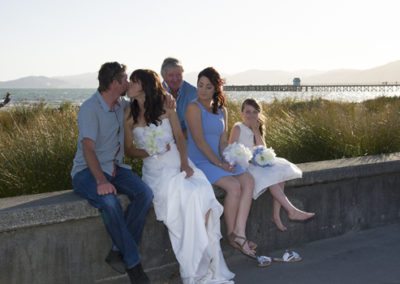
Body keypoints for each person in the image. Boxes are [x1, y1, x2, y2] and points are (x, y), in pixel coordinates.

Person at [124, 69, 234, 284]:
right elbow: (129, 150)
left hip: (178, 161)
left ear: (144, 85)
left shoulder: (167, 106)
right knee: (187, 198)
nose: (129, 84)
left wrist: (185, 163)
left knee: (201, 192)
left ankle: (206, 259)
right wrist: (151, 151)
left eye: (134, 81)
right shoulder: (128, 113)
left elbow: (180, 139)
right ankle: (195, 268)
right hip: (155, 170)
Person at [71, 62, 153, 284]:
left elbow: (145, 101)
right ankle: (134, 266)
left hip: (116, 168)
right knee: (109, 203)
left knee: (145, 194)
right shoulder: (90, 108)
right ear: (115, 83)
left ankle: (119, 250)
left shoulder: (121, 105)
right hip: (88, 171)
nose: (127, 83)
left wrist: (167, 99)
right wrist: (100, 180)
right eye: (125, 79)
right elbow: (88, 148)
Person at [185, 67, 257, 258]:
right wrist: (219, 163)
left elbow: (223, 141)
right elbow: (199, 141)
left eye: (208, 87)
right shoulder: (193, 108)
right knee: (234, 187)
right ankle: (231, 235)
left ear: (215, 89)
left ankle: (239, 233)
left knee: (248, 180)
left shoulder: (221, 110)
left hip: (218, 159)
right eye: (200, 85)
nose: (203, 90)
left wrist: (229, 158)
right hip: (201, 160)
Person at [229, 98, 315, 231]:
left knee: (279, 173)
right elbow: (231, 149)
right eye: (247, 112)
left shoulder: (256, 129)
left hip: (256, 163)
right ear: (241, 113)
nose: (250, 116)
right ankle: (292, 211)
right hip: (244, 166)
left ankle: (276, 215)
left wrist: (256, 130)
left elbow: (263, 149)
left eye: (254, 112)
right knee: (271, 177)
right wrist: (243, 159)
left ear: (258, 114)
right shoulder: (238, 127)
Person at [160, 57, 197, 134]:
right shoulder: (156, 93)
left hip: (189, 139)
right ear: (163, 76)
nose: (175, 79)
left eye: (178, 75)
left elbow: (198, 123)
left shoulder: (193, 93)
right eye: (171, 75)